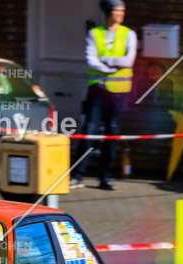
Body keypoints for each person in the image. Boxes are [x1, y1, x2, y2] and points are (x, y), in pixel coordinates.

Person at [70, 0, 137, 191]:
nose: (121, 14)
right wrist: (111, 66)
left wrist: (106, 60)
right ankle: (77, 175)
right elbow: (91, 60)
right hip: (97, 90)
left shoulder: (128, 34)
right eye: (118, 11)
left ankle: (105, 177)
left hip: (119, 92)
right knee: (89, 131)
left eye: (123, 11)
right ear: (109, 13)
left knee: (112, 133)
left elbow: (128, 61)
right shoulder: (95, 33)